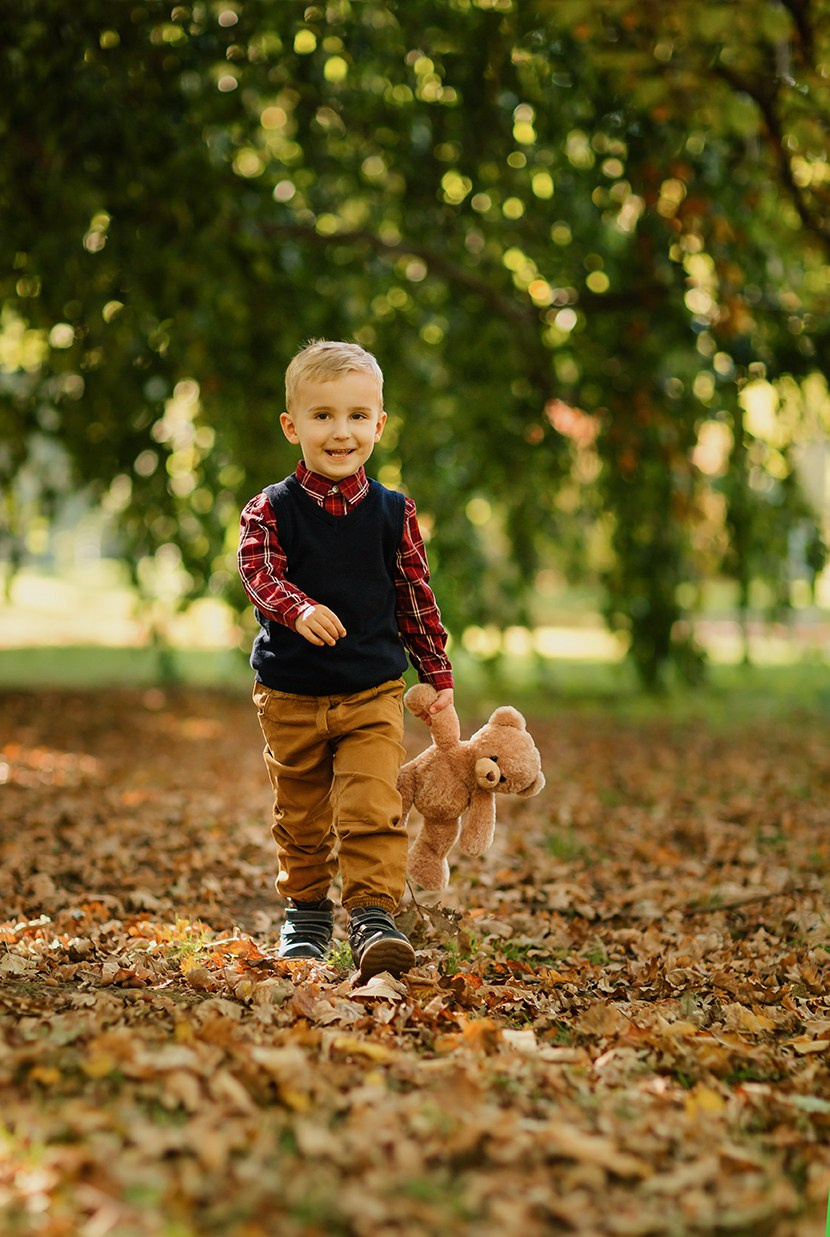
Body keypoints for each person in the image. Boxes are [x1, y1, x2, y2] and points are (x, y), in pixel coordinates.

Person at [237, 339, 453, 980]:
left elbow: (414, 593)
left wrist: (436, 674)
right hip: (291, 693)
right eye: (323, 415)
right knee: (300, 813)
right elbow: (257, 571)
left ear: (379, 425)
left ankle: (372, 918)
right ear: (292, 425)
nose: (341, 432)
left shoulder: (393, 512)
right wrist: (297, 608)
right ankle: (305, 916)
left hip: (371, 691)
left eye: (358, 416)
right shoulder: (270, 510)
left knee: (373, 805)